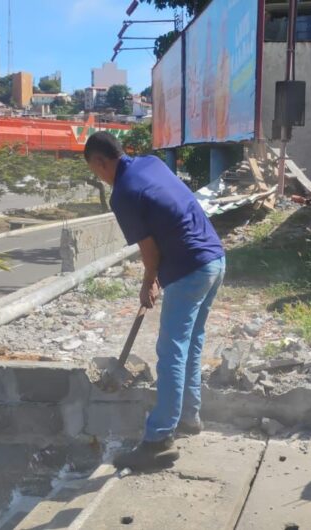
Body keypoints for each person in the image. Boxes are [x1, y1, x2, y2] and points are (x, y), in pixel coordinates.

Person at [83, 132, 225, 471]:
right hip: (215, 260)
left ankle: (159, 439)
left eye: (94, 170)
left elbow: (150, 250)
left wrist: (149, 281)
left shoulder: (124, 194)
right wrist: (157, 278)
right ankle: (189, 417)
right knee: (191, 343)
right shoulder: (150, 162)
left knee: (171, 349)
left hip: (190, 268)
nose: (98, 176)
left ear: (101, 162)